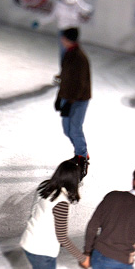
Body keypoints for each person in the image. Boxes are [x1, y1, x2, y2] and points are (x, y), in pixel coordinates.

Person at [55, 29, 91, 174]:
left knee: (75, 130)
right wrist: (59, 97)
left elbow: (80, 83)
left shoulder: (79, 57)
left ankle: (82, 159)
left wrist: (70, 102)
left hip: (78, 99)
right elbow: (65, 78)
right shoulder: (68, 53)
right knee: (67, 129)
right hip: (67, 97)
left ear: (66, 39)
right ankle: (79, 153)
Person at [49, 0, 93, 73]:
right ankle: (73, 70)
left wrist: (40, 21)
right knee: (73, 51)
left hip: (64, 29)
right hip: (75, 28)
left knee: (64, 52)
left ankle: (64, 72)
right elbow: (84, 8)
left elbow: (52, 16)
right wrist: (90, 10)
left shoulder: (59, 1)